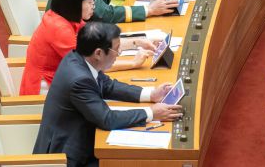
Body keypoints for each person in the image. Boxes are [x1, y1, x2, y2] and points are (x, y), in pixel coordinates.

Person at [32, 22, 183, 165]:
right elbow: (107, 119)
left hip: (80, 142)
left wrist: (150, 94)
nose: (120, 53)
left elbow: (107, 85)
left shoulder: (79, 58)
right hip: (68, 157)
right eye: (116, 49)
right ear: (98, 53)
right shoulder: (79, 79)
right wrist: (151, 113)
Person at [20, 0, 160, 95]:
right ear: (74, 4)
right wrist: (133, 63)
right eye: (89, 1)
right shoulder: (59, 29)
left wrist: (138, 42)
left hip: (65, 78)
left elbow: (97, 42)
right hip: (45, 89)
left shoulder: (68, 17)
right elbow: (91, 64)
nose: (93, 5)